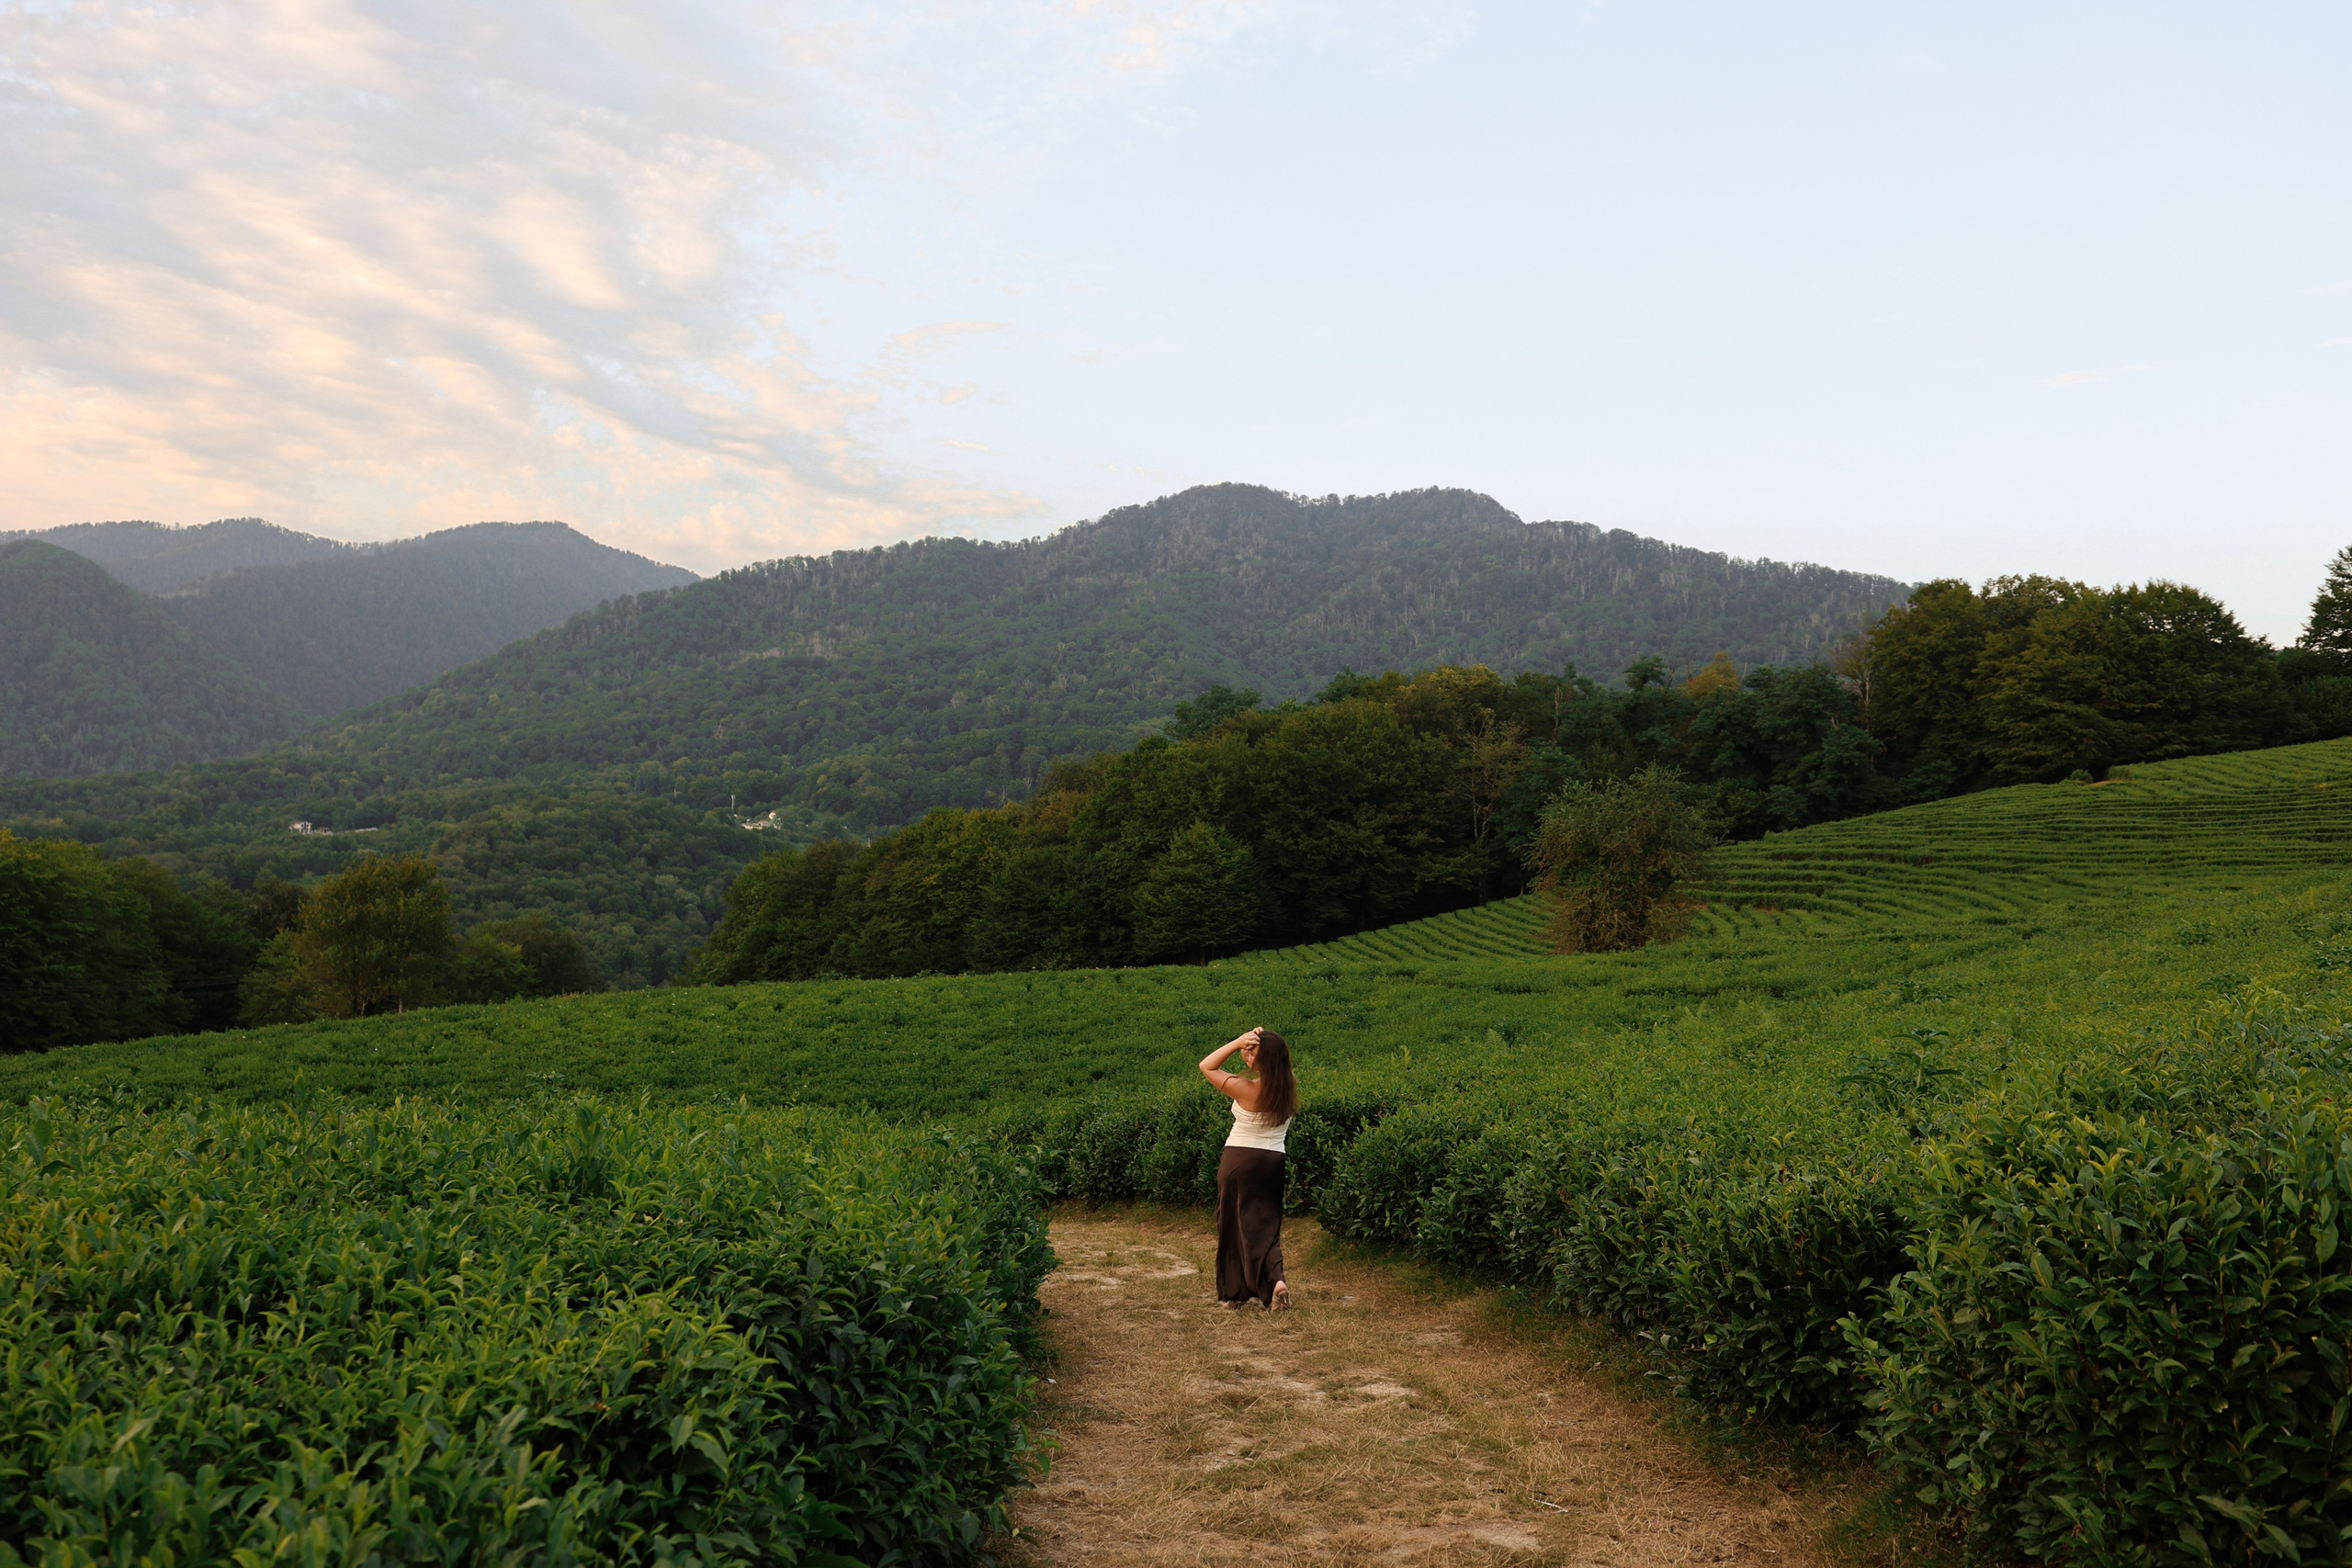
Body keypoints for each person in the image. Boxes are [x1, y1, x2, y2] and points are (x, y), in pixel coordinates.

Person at [1198, 1025, 1297, 1309]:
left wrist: (1236, 1042)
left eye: (1251, 1052)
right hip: (1272, 1162)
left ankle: (1237, 1293)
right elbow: (1276, 1059)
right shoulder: (1288, 1084)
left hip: (1239, 1160)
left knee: (1233, 1224)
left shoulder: (1245, 1088)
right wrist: (1265, 1042)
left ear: (1263, 1059)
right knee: (1265, 1225)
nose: (1245, 1055)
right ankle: (1276, 1282)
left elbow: (1207, 1065)